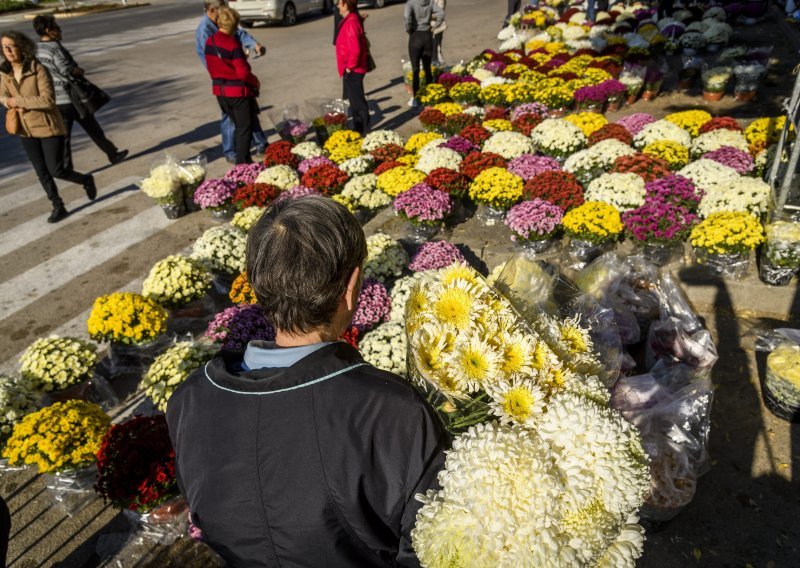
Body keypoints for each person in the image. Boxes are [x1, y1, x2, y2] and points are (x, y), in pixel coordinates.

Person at [167, 196, 448, 567]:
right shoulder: (392, 412)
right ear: (350, 288)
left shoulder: (192, 398)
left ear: (255, 283)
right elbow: (430, 545)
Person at [1, 31, 96, 223]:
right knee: (41, 172)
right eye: (4, 47)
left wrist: (16, 101)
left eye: (12, 46)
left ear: (22, 47)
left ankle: (85, 180)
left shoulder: (39, 69)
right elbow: (2, 96)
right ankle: (57, 205)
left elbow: (47, 101)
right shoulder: (4, 72)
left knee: (56, 170)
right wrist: (7, 101)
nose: (8, 51)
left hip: (47, 127)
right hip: (25, 129)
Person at [32, 16, 127, 171]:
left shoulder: (37, 49)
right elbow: (66, 70)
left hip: (55, 100)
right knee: (93, 128)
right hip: (71, 98)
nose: (60, 30)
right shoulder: (55, 47)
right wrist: (79, 71)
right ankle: (113, 154)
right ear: (49, 30)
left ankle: (66, 166)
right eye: (57, 27)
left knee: (65, 135)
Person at [196, 0, 267, 163]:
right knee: (243, 128)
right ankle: (242, 162)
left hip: (220, 91)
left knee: (242, 124)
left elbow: (214, 63)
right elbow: (243, 73)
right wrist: (254, 80)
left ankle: (249, 153)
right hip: (236, 91)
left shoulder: (210, 41)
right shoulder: (230, 43)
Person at [335, 0, 370, 135]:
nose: (337, 5)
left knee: (358, 102)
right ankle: (359, 128)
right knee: (355, 102)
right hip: (353, 68)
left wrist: (349, 67)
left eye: (339, 2)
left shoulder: (350, 22)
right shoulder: (351, 20)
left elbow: (355, 49)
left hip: (353, 69)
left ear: (345, 4)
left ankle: (364, 131)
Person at [404, 0, 444, 107]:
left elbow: (406, 17)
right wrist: (434, 27)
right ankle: (430, 96)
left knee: (415, 69)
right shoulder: (429, 2)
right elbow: (441, 13)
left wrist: (409, 30)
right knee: (427, 69)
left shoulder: (411, 3)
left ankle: (416, 98)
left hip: (415, 35)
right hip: (427, 35)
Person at [431, 0, 446, 66]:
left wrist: (425, 15)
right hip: (424, 29)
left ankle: (437, 66)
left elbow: (440, 14)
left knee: (436, 52)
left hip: (436, 28)